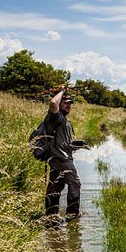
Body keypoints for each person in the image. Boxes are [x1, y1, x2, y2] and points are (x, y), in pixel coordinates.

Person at [44, 88, 83, 219]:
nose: (69, 105)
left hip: (58, 159)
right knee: (75, 184)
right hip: (62, 160)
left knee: (55, 188)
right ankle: (72, 215)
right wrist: (62, 90)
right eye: (65, 102)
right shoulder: (55, 116)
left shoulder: (64, 120)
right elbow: (53, 103)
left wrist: (74, 145)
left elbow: (63, 142)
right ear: (60, 103)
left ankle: (51, 216)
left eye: (70, 103)